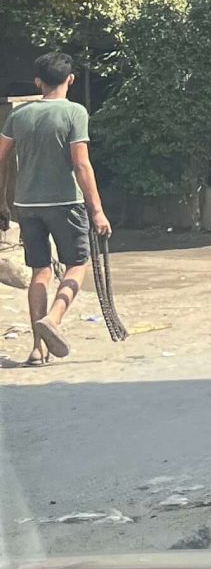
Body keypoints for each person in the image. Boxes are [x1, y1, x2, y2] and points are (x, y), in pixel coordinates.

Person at [0, 52, 110, 367]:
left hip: (26, 205)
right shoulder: (75, 112)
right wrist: (97, 210)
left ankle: (38, 349)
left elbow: (1, 158)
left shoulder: (19, 116)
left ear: (38, 82)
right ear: (70, 79)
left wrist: (3, 201)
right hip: (65, 203)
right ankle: (54, 318)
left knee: (40, 270)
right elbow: (81, 164)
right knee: (77, 264)